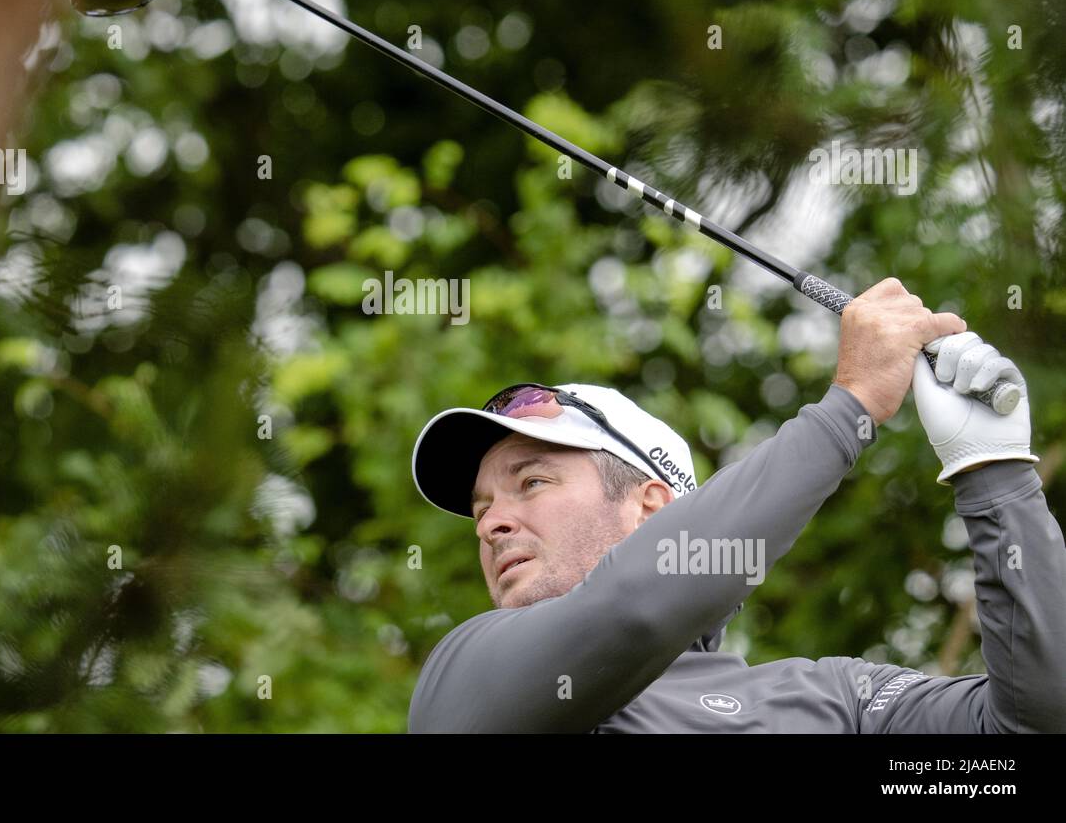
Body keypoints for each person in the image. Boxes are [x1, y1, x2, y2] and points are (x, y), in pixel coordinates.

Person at [407, 278, 1063, 732]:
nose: (490, 522)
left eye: (533, 483)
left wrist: (995, 473)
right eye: (482, 505)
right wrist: (853, 405)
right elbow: (631, 612)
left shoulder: (838, 703)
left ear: (652, 508)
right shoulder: (465, 677)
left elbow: (1034, 724)